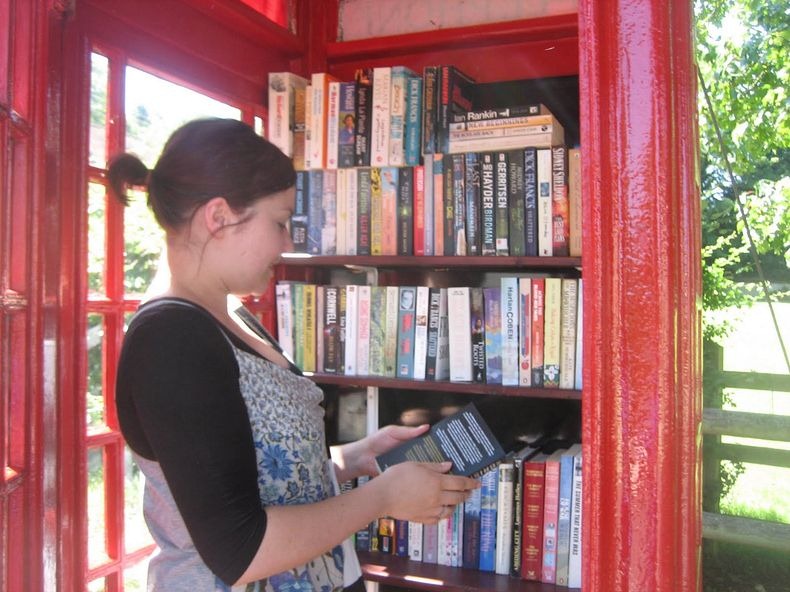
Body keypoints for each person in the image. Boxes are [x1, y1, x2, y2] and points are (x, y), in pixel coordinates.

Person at [109, 118, 479, 592]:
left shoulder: (232, 315)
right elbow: (239, 548)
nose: (287, 244)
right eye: (279, 222)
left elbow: (248, 474)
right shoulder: (170, 341)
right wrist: (382, 496)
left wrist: (355, 459)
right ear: (218, 216)